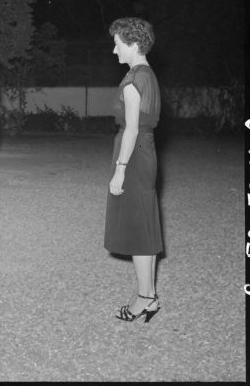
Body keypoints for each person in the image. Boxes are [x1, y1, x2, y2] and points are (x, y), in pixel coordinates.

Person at [104, 17, 163, 323]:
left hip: (134, 154)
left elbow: (130, 130)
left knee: (138, 229)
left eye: (118, 43)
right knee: (145, 223)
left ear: (133, 44)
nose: (114, 50)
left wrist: (119, 169)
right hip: (147, 150)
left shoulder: (131, 81)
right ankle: (149, 294)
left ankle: (144, 298)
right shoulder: (149, 75)